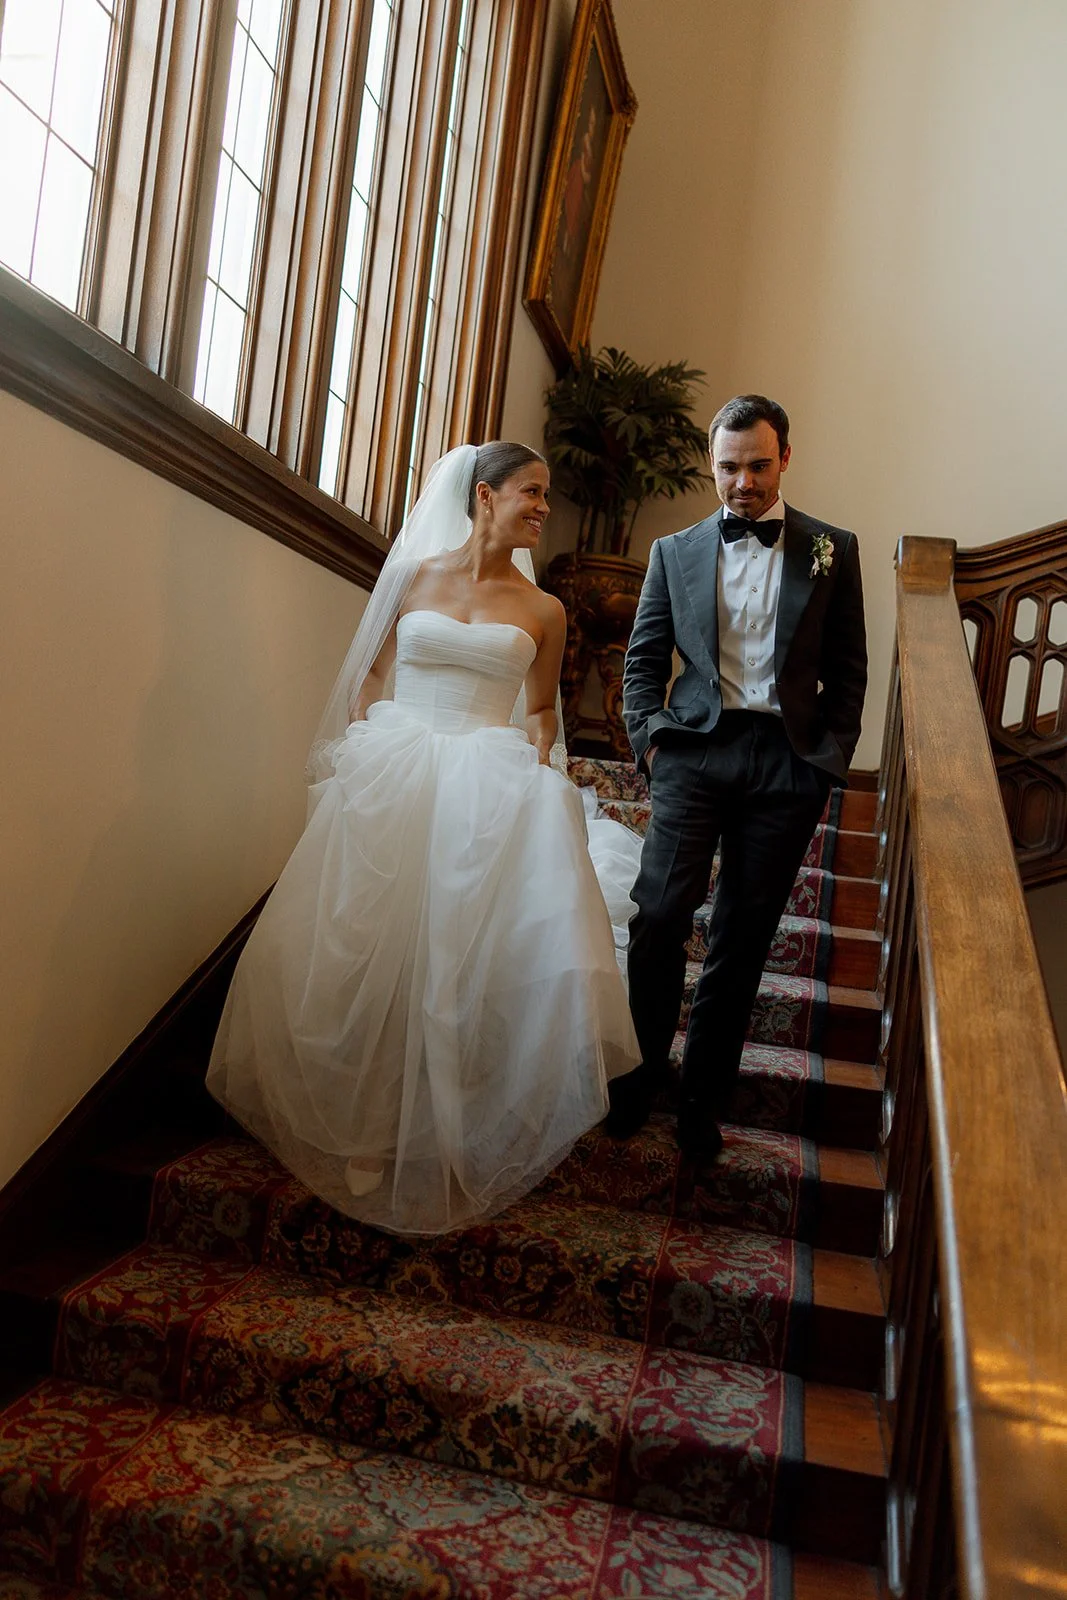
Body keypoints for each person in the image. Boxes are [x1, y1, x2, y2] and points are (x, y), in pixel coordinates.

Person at [207, 443, 640, 1236]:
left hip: (487, 777)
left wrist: (541, 770)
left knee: (459, 958)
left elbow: (541, 710)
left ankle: (441, 1128)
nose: (544, 508)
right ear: (485, 495)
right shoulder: (411, 579)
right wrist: (362, 746)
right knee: (377, 945)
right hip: (399, 765)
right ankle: (367, 1120)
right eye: (531, 492)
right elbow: (370, 677)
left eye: (545, 495)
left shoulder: (543, 609)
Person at [610, 394, 867, 1162]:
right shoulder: (673, 551)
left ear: (784, 457)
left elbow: (848, 672)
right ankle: (640, 1073)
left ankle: (700, 1100)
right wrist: (652, 745)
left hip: (784, 763)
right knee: (658, 913)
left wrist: (825, 762)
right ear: (710, 464)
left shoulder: (831, 549)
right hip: (694, 748)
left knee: (742, 937)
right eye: (728, 467)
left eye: (757, 465)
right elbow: (643, 663)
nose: (743, 482)